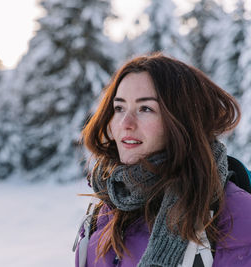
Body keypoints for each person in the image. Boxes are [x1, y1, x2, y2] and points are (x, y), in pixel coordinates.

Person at [75, 54, 251, 267]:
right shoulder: (105, 207)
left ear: (182, 121)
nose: (125, 123)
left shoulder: (237, 216)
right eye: (119, 108)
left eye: (146, 109)